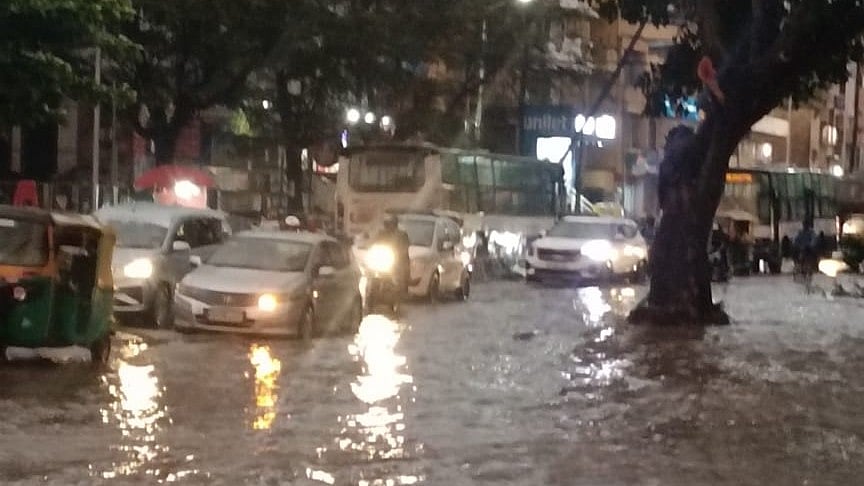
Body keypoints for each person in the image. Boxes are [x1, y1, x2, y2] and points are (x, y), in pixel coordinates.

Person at [376, 215, 411, 295]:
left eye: (391, 224)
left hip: (397, 258)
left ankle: (406, 280)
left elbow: (405, 246)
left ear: (395, 224)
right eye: (387, 224)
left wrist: (401, 252)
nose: (389, 226)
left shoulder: (402, 234)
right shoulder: (381, 233)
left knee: (405, 263)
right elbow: (374, 243)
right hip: (384, 257)